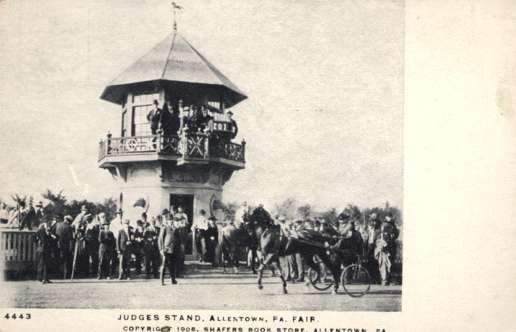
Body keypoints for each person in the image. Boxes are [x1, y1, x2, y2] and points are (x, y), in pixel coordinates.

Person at [375, 214, 399, 286]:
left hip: (388, 247)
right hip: (384, 247)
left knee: (387, 264)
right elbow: (383, 237)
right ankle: (384, 280)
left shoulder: (391, 226)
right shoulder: (386, 226)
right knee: (385, 263)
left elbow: (395, 235)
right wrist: (384, 245)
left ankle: (385, 280)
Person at [159, 217, 180, 285]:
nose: (171, 222)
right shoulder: (164, 228)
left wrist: (178, 247)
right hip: (166, 249)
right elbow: (160, 239)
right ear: (167, 222)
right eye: (169, 221)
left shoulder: (175, 229)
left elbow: (178, 239)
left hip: (174, 249)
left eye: (172, 221)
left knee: (172, 265)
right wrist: (161, 249)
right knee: (164, 265)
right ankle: (161, 281)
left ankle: (173, 280)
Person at [97, 213, 116, 280]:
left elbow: (113, 241)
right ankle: (99, 275)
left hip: (109, 249)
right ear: (104, 226)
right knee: (101, 262)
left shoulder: (111, 233)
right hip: (102, 249)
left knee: (108, 262)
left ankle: (107, 275)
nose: (107, 226)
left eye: (108, 225)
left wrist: (109, 241)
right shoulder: (101, 232)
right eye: (105, 225)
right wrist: (108, 240)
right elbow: (100, 240)